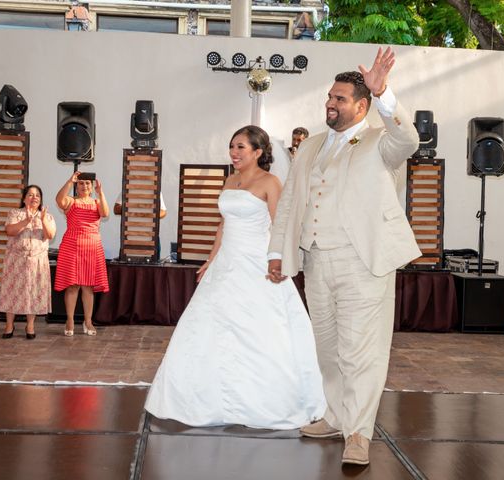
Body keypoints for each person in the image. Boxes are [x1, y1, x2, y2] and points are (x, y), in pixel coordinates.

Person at [266, 47, 420, 466]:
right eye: (329, 98)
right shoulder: (311, 146)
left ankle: (358, 433)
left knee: (361, 351)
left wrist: (384, 90)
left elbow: (410, 139)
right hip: (317, 261)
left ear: (362, 105)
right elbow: (292, 202)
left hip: (363, 262)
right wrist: (278, 251)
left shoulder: (380, 142)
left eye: (339, 99)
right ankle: (334, 416)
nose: (330, 104)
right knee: (327, 348)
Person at [145, 125, 326, 429]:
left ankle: (266, 399)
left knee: (262, 329)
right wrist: (211, 259)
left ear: (258, 152)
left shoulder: (270, 182)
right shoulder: (230, 180)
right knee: (207, 326)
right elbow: (223, 225)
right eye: (232, 146)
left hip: (257, 263)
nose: (234, 152)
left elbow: (279, 225)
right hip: (226, 263)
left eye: (241, 147)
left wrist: (277, 260)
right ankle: (203, 399)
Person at [54, 171, 109, 337]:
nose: (84, 186)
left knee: (89, 286)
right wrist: (70, 181)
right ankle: (70, 320)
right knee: (72, 285)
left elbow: (105, 213)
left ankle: (88, 321)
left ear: (91, 187)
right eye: (81, 183)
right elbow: (59, 200)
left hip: (92, 246)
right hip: (72, 245)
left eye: (87, 184)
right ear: (77, 187)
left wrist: (101, 193)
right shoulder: (71, 201)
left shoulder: (97, 201)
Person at [0, 185, 56, 340]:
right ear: (24, 198)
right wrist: (26, 220)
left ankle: (30, 325)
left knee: (34, 292)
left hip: (38, 260)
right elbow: (10, 231)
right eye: (30, 195)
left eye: (37, 195)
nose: (34, 197)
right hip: (16, 259)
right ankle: (9, 325)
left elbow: (49, 234)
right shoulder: (15, 213)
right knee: (12, 291)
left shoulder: (47, 216)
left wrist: (42, 219)